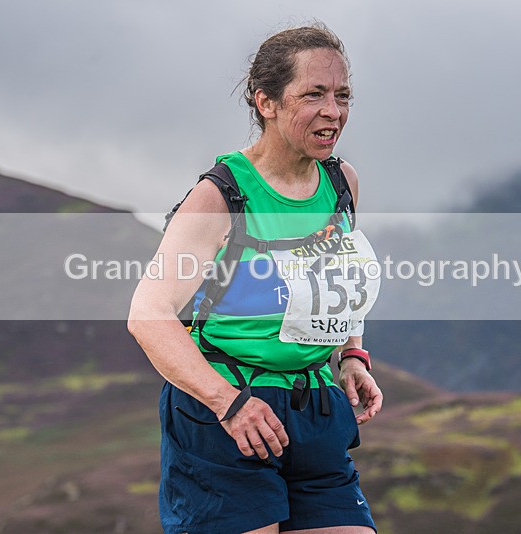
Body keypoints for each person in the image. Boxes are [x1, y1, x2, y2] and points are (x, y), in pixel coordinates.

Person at [128, 23, 382, 534]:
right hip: (227, 412)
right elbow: (149, 317)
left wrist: (351, 353)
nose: (334, 111)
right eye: (314, 95)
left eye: (343, 95)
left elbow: (336, 273)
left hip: (315, 409)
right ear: (266, 102)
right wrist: (231, 404)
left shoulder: (341, 182)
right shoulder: (220, 196)